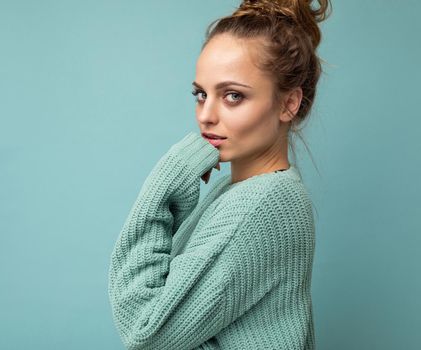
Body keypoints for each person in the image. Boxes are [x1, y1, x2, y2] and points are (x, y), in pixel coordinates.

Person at [108, 0, 332, 349]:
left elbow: (144, 330)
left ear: (289, 103)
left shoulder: (262, 204)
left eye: (232, 96)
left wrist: (164, 185)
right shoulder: (238, 189)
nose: (206, 116)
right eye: (200, 94)